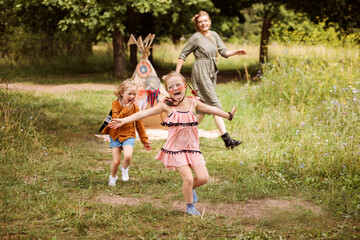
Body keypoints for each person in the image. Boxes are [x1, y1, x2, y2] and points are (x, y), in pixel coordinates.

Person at [108, 72, 237, 215]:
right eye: (171, 86)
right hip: (175, 149)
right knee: (187, 178)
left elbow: (212, 109)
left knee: (203, 178)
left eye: (178, 85)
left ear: (184, 86)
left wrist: (228, 115)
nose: (175, 88)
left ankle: (189, 188)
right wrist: (124, 120)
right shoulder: (166, 106)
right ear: (168, 91)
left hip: (192, 148)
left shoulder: (192, 102)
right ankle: (189, 207)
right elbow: (143, 114)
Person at [175, 10, 246, 149]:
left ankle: (181, 135)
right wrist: (177, 75)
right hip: (200, 71)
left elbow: (224, 52)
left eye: (205, 21)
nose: (203, 23)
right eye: (200, 22)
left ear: (210, 21)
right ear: (197, 24)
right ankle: (227, 140)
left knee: (202, 109)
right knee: (215, 105)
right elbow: (182, 55)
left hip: (211, 71)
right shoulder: (195, 37)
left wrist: (236, 52)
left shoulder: (214, 35)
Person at [102, 79, 152, 186]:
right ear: (121, 93)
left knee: (128, 156)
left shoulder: (135, 107)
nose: (132, 96)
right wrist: (126, 109)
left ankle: (124, 168)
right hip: (115, 135)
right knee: (116, 161)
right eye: (129, 94)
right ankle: (113, 176)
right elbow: (116, 119)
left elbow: (139, 125)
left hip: (128, 135)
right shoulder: (115, 104)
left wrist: (144, 140)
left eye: (135, 94)